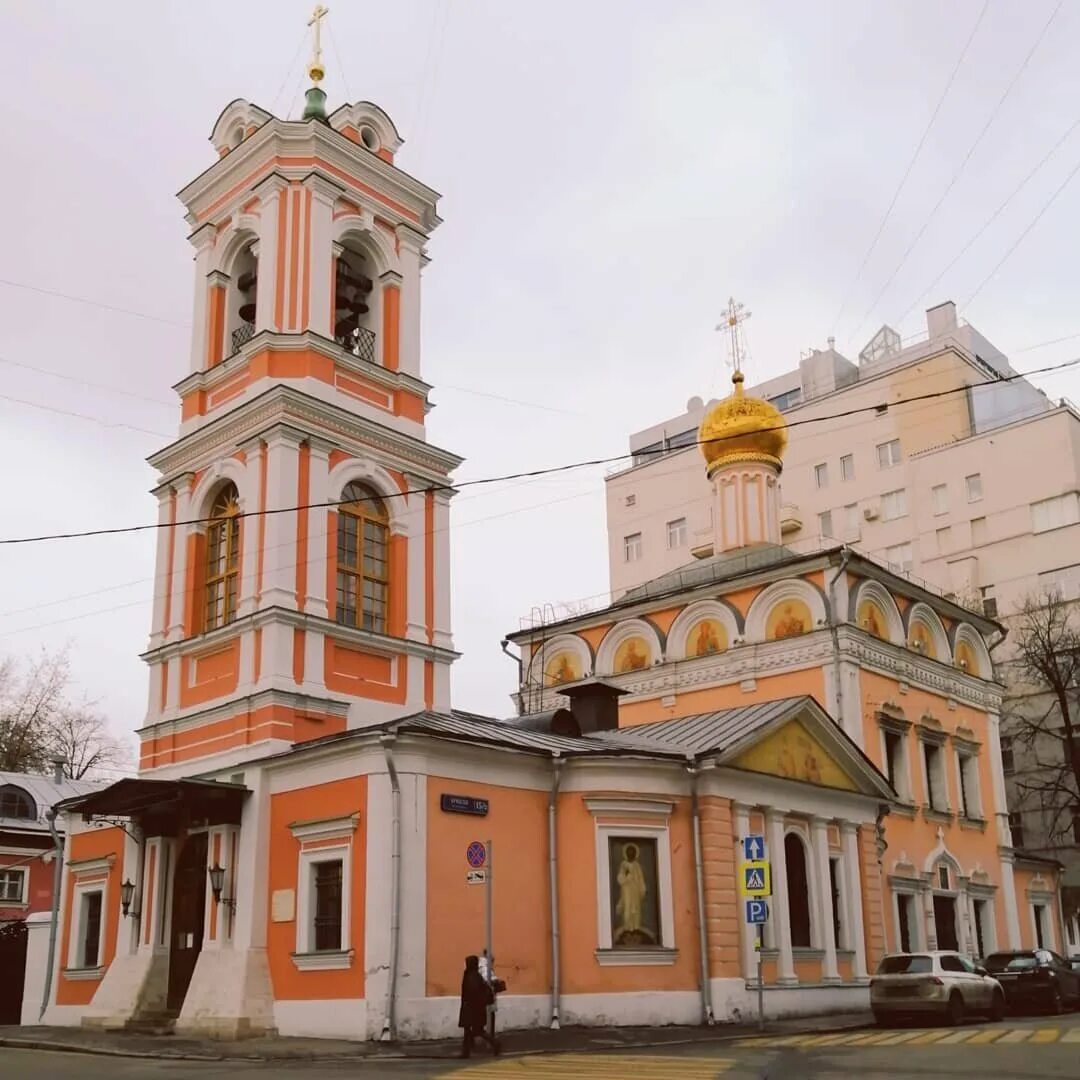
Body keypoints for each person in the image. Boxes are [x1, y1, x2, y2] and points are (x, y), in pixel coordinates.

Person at [459, 955, 498, 1058]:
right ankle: (465, 1052)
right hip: (474, 1008)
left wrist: (469, 1003)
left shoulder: (471, 976)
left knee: (475, 1030)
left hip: (472, 1008)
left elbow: (472, 992)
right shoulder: (475, 975)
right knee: (471, 1030)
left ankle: (495, 1044)